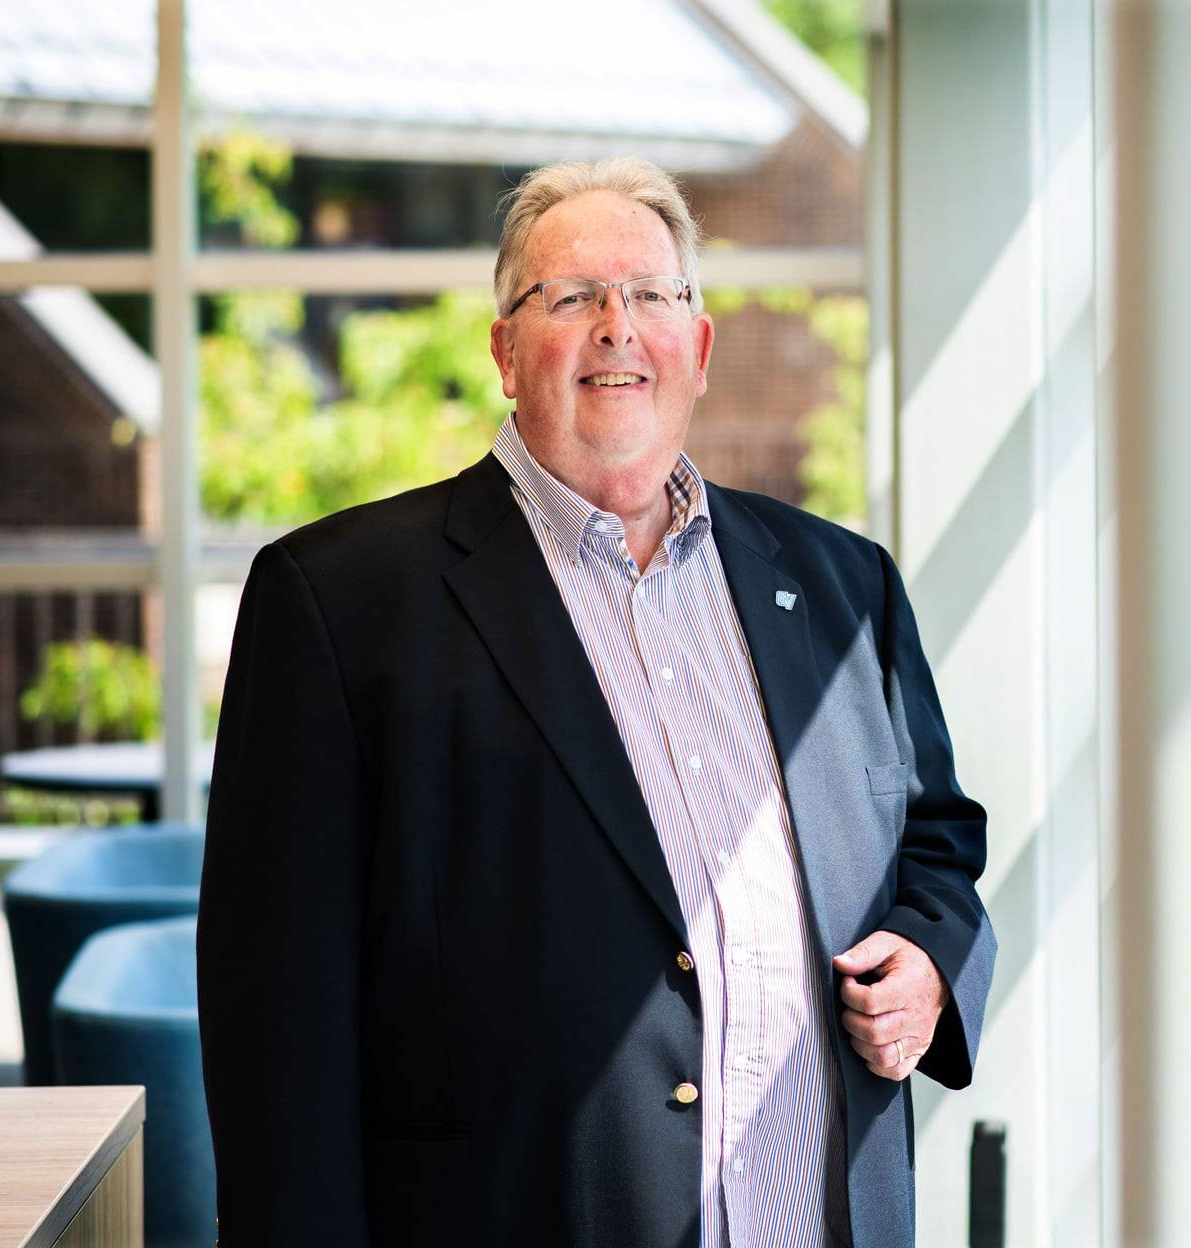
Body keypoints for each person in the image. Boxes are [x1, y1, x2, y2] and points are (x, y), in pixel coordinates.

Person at [196, 157, 995, 1248]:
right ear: (505, 352)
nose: (618, 326)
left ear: (699, 348)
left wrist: (931, 959)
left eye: (652, 296)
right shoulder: (339, 605)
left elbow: (937, 843)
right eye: (571, 297)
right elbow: (278, 1030)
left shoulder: (845, 587)